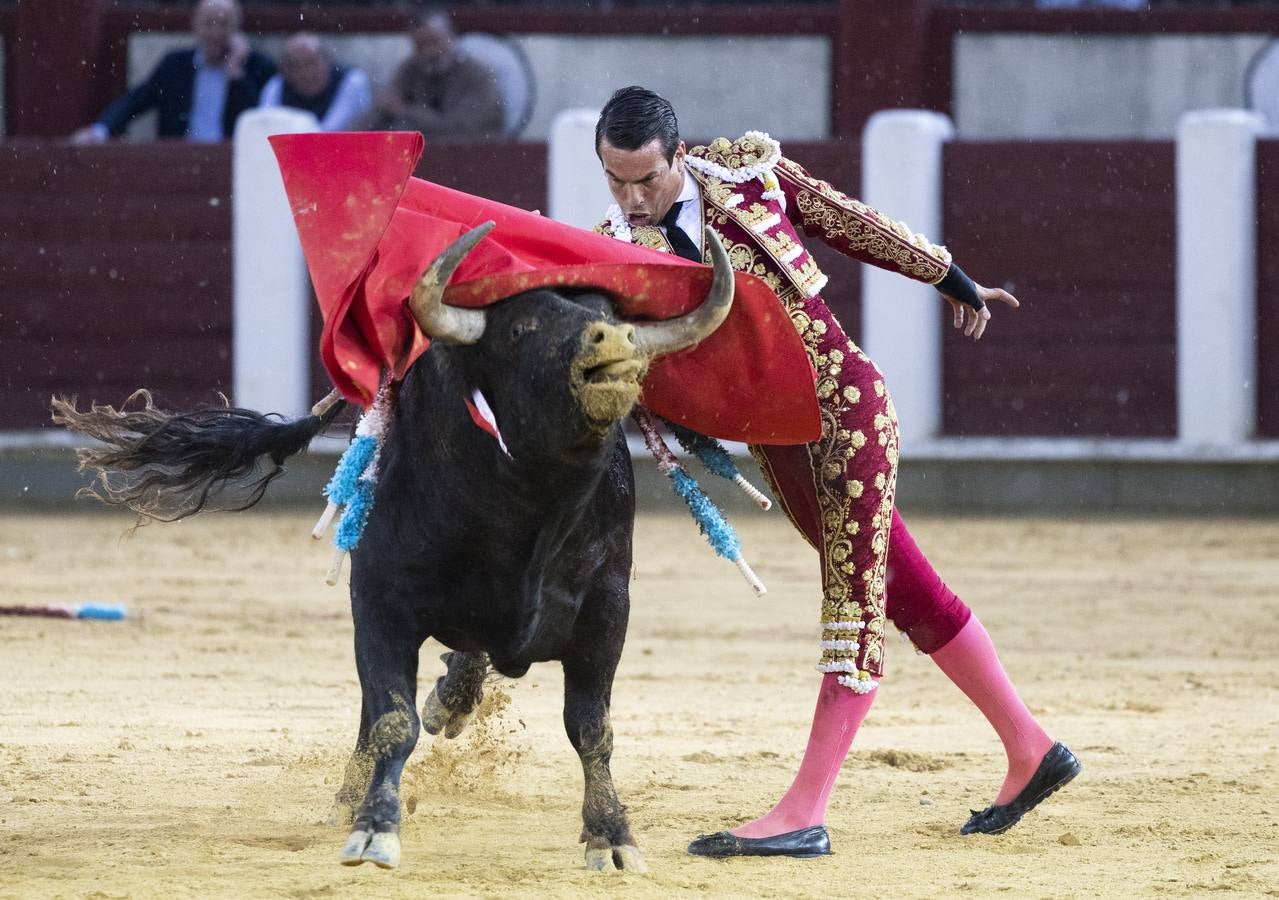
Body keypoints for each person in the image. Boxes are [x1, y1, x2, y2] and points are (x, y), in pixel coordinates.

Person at [592, 86, 1080, 858]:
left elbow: (846, 222)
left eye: (644, 179)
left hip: (842, 407)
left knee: (852, 605)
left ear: (677, 156)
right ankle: (1029, 749)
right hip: (777, 446)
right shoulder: (613, 250)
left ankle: (803, 811)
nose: (630, 196)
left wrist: (949, 277)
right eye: (614, 179)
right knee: (905, 591)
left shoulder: (743, 176)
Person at [71, 0, 275, 144]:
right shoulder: (175, 65)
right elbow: (135, 100)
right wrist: (100, 130)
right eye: (208, 23)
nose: (215, 32)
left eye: (223, 24)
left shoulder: (257, 67)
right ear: (195, 26)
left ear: (236, 28)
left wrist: (236, 72)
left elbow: (261, 118)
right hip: (181, 160)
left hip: (233, 161)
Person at [368, 9, 505, 142]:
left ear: (451, 36)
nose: (430, 52)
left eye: (434, 42)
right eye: (421, 46)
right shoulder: (409, 71)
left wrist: (405, 111)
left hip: (474, 157)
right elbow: (381, 111)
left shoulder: (478, 76)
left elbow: (462, 129)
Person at [257, 33, 372, 132]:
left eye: (311, 63)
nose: (305, 73)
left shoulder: (352, 81)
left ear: (327, 60)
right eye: (295, 66)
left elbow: (332, 133)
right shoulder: (276, 86)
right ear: (285, 70)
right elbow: (266, 127)